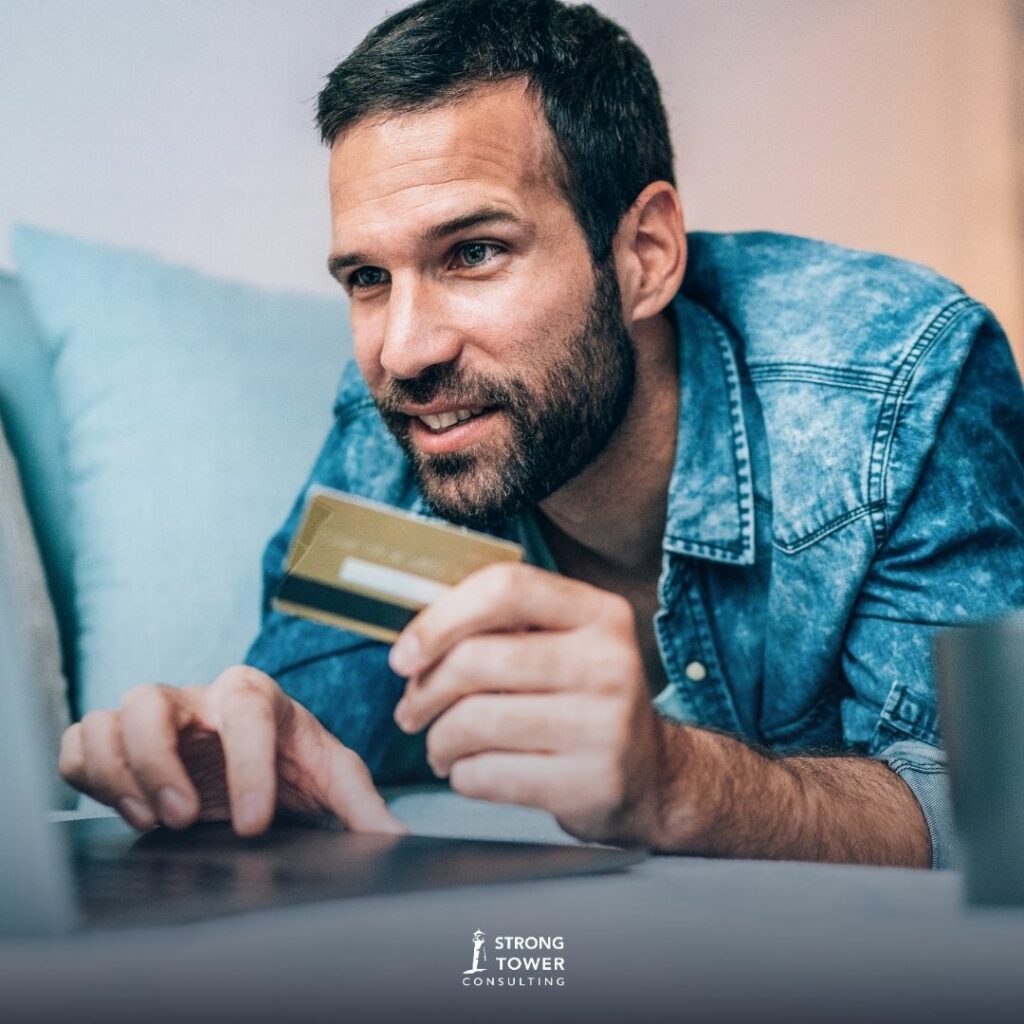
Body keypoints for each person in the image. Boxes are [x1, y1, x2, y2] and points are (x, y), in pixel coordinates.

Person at [58, 0, 1024, 868]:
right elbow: (312, 715)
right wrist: (228, 758)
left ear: (643, 255)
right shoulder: (401, 422)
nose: (403, 350)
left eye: (474, 252)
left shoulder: (898, 381)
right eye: (365, 279)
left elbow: (986, 807)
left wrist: (676, 783)